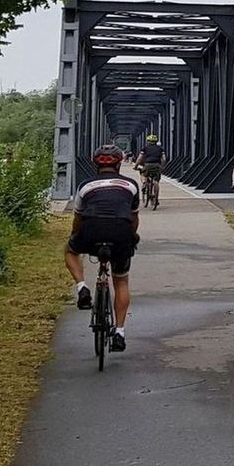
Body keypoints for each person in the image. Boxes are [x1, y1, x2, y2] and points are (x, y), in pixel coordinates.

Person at [65, 145, 140, 352]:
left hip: (92, 230)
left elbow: (78, 218)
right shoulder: (131, 184)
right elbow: (133, 218)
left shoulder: (85, 185)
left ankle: (82, 287)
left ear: (95, 164)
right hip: (120, 233)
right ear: (119, 163)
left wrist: (75, 236)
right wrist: (132, 237)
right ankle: (119, 332)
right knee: (121, 280)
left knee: (70, 251)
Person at [135, 134, 167, 209]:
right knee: (156, 181)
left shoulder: (145, 148)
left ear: (148, 141)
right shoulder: (160, 149)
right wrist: (162, 166)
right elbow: (164, 159)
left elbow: (139, 158)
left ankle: (144, 183)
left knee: (143, 174)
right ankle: (156, 198)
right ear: (156, 141)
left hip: (148, 165)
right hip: (157, 165)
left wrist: (135, 166)